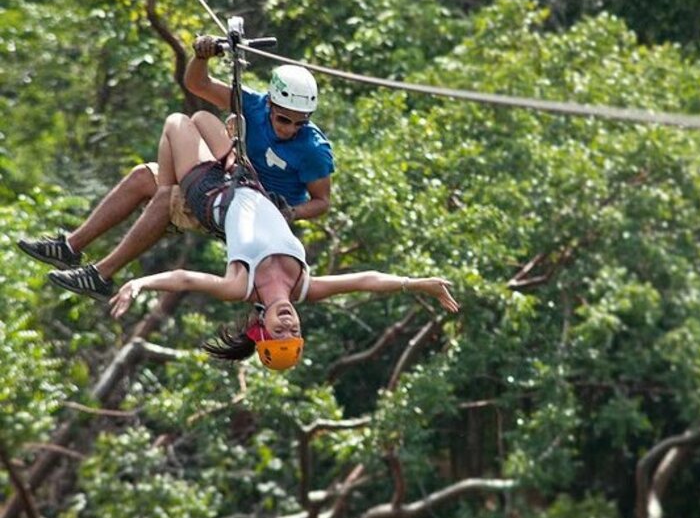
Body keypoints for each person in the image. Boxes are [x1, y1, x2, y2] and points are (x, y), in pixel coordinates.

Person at [108, 108, 458, 371]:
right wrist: (418, 284)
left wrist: (141, 284)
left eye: (280, 331)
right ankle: (165, 198)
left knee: (176, 122)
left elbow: (185, 279)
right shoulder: (304, 285)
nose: (289, 323)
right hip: (245, 180)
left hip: (209, 193)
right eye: (294, 330)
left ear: (262, 329)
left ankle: (166, 196)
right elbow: (367, 281)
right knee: (202, 114)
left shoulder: (240, 286)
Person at [18, 36, 334, 300]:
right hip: (230, 182)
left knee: (171, 181)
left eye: (299, 123)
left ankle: (102, 273)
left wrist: (291, 213)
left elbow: (322, 202)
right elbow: (198, 84)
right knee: (145, 176)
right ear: (270, 104)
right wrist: (200, 56)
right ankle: (70, 246)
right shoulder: (252, 104)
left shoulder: (312, 149)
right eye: (283, 119)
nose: (290, 128)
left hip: (251, 212)